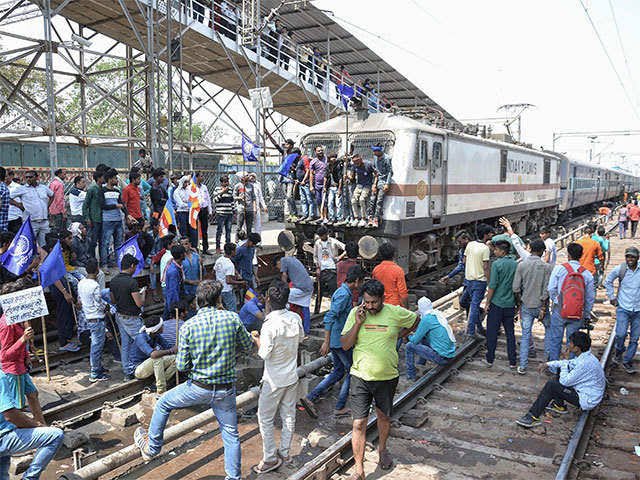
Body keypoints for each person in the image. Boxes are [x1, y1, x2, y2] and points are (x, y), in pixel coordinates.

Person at [134, 280, 254, 480]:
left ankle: (152, 447)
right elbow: (248, 346)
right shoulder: (232, 318)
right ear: (218, 299)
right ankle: (233, 478)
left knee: (163, 402)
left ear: (198, 301)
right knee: (231, 434)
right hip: (225, 389)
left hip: (199, 387)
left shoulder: (189, 326)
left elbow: (181, 366)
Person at [341, 279, 420, 478]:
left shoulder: (395, 312)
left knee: (384, 417)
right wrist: (358, 324)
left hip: (387, 377)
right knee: (358, 423)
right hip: (360, 376)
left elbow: (416, 319)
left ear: (382, 299)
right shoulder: (356, 314)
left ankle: (382, 449)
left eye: (374, 303)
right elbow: (345, 345)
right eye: (366, 302)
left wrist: (401, 334)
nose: (370, 306)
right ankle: (359, 467)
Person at [251, 281, 304, 474]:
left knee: (264, 417)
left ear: (268, 300)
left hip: (273, 379)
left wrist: (256, 340)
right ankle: (285, 452)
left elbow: (264, 354)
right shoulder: (295, 318)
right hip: (291, 376)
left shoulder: (269, 324)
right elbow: (300, 340)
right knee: (288, 415)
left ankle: (270, 457)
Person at [301, 265, 366, 418]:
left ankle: (311, 397)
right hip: (339, 341)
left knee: (337, 372)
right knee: (351, 371)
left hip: (337, 340)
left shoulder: (343, 292)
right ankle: (340, 406)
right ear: (356, 281)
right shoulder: (344, 295)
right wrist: (326, 341)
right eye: (361, 282)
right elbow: (330, 317)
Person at [516, 331, 605, 428]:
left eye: (570, 343)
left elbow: (564, 382)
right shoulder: (586, 357)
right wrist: (547, 364)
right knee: (561, 368)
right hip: (586, 392)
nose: (568, 345)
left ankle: (532, 417)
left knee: (552, 385)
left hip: (587, 399)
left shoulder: (583, 364)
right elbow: (568, 364)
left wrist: (564, 361)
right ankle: (559, 405)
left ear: (577, 348)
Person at [0, 371, 64, 479]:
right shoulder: (1, 377)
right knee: (55, 435)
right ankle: (30, 477)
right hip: (2, 438)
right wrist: (37, 425)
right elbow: (10, 415)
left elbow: (32, 394)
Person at [547, 243, 595, 370]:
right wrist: (586, 313)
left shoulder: (559, 269)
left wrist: (558, 301)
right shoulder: (587, 274)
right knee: (573, 343)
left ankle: (553, 368)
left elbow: (551, 288)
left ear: (568, 254)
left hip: (560, 311)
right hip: (577, 313)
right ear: (581, 256)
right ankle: (570, 369)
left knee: (555, 340)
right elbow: (590, 297)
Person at [0, 303, 46, 425]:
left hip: (21, 366)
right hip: (13, 369)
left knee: (33, 394)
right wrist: (23, 339)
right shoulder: (7, 325)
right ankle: (24, 432)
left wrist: (26, 356)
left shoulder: (17, 320)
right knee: (17, 405)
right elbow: (5, 355)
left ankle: (42, 424)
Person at [512, 239, 553, 374]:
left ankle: (523, 366)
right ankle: (546, 361)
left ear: (530, 249)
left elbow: (516, 288)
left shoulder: (522, 265)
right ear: (542, 252)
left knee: (525, 335)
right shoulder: (547, 267)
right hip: (541, 306)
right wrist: (543, 306)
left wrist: (520, 303)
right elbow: (547, 290)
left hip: (526, 305)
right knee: (549, 330)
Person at [604, 246, 640, 374]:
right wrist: (612, 297)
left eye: (633, 257)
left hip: (638, 310)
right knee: (620, 334)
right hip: (623, 308)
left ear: (638, 258)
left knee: (635, 338)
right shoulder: (621, 269)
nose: (630, 259)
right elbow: (607, 281)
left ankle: (627, 360)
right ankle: (619, 351)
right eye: (628, 256)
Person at [110, 254, 146, 381]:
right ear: (132, 266)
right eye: (135, 267)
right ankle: (147, 367)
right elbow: (139, 303)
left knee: (125, 344)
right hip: (132, 317)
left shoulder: (113, 281)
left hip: (120, 316)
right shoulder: (132, 282)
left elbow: (112, 299)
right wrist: (143, 295)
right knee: (143, 341)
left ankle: (127, 371)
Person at [484, 240, 518, 368]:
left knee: (492, 332)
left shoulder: (497, 265)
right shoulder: (515, 264)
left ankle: (490, 359)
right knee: (510, 333)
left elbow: (492, 286)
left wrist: (487, 302)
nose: (494, 251)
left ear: (502, 251)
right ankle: (512, 361)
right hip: (510, 304)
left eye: (496, 250)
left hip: (497, 304)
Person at [405, 297, 456, 380]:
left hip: (441, 358)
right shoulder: (437, 314)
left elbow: (414, 340)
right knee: (423, 338)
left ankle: (411, 375)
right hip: (450, 354)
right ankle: (421, 365)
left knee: (409, 346)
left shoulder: (426, 319)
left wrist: (408, 336)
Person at [77, 258, 110, 382]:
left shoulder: (81, 283)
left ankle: (98, 368)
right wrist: (106, 307)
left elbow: (80, 300)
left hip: (88, 317)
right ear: (97, 270)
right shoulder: (95, 285)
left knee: (96, 345)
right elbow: (99, 304)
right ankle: (95, 373)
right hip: (97, 317)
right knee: (97, 346)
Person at [460, 223, 492, 337]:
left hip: (468, 280)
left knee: (465, 302)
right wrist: (489, 283)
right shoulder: (485, 249)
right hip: (479, 281)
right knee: (473, 306)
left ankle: (477, 327)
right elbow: (486, 267)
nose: (491, 235)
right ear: (485, 235)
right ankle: (471, 331)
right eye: (490, 233)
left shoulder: (470, 245)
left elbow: (464, 261)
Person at [131, 316, 177, 394]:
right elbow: (154, 355)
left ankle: (159, 383)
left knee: (177, 358)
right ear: (157, 329)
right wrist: (171, 351)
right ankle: (161, 389)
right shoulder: (141, 337)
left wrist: (175, 348)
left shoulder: (156, 336)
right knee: (157, 357)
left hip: (150, 365)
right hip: (138, 369)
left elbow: (168, 347)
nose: (163, 327)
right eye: (161, 326)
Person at [11, 171, 53, 246]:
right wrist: (19, 205)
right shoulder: (22, 189)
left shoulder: (43, 187)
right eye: (26, 177)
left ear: (37, 177)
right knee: (29, 243)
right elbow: (8, 197)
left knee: (45, 243)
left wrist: (47, 206)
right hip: (31, 222)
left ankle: (44, 257)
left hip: (44, 221)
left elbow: (52, 195)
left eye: (30, 177)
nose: (28, 179)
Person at [276, 254, 314, 334]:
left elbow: (284, 275)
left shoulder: (283, 260)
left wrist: (284, 288)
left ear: (278, 262)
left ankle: (284, 326)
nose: (279, 269)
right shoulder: (293, 259)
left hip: (301, 287)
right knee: (305, 306)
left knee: (282, 298)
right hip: (309, 286)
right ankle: (306, 330)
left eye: (277, 267)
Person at [101, 169, 127, 272]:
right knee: (105, 243)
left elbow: (122, 204)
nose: (117, 180)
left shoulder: (117, 191)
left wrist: (127, 215)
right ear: (110, 179)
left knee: (119, 243)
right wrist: (115, 205)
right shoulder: (102, 190)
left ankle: (118, 262)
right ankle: (104, 265)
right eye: (115, 178)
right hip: (107, 220)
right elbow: (102, 205)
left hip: (118, 220)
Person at [372, 242, 408, 308]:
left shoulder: (376, 270)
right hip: (394, 305)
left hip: (381, 304)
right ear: (393, 255)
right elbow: (402, 293)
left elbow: (374, 288)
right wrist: (405, 308)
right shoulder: (398, 270)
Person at [314, 226, 344, 300]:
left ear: (326, 234)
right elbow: (315, 256)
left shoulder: (333, 241)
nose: (321, 237)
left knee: (333, 292)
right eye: (320, 235)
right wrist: (317, 267)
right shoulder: (317, 243)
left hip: (332, 270)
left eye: (322, 235)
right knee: (319, 292)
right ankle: (317, 310)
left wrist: (340, 257)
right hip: (322, 270)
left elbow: (345, 248)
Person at [368, 144, 392, 228]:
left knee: (379, 201)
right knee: (372, 199)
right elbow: (375, 171)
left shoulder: (387, 158)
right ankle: (370, 217)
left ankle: (376, 218)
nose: (374, 152)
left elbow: (389, 172)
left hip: (384, 181)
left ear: (380, 151)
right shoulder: (375, 158)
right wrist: (374, 184)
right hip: (376, 180)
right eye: (374, 151)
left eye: (376, 151)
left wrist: (387, 184)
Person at [215, 243, 244, 312]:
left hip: (219, 288)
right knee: (232, 309)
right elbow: (228, 281)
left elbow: (214, 272)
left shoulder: (219, 260)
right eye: (235, 250)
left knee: (221, 309)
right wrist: (241, 282)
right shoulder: (229, 265)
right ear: (232, 252)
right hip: (227, 290)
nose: (236, 252)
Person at [83, 169, 105, 260]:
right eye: (103, 177)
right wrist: (87, 218)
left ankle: (102, 259)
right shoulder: (92, 189)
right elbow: (85, 205)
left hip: (103, 218)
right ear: (99, 178)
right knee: (93, 241)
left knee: (103, 241)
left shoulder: (103, 189)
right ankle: (91, 258)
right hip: (94, 218)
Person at [350, 154, 375, 228]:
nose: (356, 163)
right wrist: (349, 177)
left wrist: (374, 185)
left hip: (367, 185)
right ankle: (356, 218)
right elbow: (352, 177)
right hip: (359, 185)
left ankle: (364, 218)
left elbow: (376, 174)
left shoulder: (368, 164)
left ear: (361, 159)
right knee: (353, 200)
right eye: (354, 162)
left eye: (357, 161)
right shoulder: (354, 166)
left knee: (361, 199)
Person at [212, 175, 234, 254]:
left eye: (227, 181)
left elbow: (232, 201)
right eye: (225, 182)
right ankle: (218, 247)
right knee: (219, 230)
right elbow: (215, 200)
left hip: (229, 213)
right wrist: (222, 193)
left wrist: (233, 210)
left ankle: (228, 247)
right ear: (221, 182)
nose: (226, 183)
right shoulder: (217, 189)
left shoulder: (231, 189)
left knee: (228, 231)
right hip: (221, 213)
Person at [163, 245, 185, 321]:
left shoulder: (175, 265)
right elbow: (173, 291)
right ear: (181, 255)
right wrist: (176, 308)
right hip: (173, 302)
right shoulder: (173, 271)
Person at [194, 172, 212, 254]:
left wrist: (210, 210)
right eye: (201, 176)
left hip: (204, 209)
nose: (203, 177)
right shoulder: (192, 187)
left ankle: (205, 248)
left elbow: (208, 198)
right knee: (195, 229)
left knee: (204, 229)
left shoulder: (204, 187)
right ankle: (196, 247)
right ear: (197, 177)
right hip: (196, 210)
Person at [323, 152, 343, 224]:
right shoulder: (327, 166)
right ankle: (332, 218)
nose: (333, 159)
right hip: (330, 188)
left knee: (338, 203)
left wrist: (340, 189)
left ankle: (339, 218)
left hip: (337, 187)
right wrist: (325, 187)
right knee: (329, 203)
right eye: (332, 157)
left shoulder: (338, 166)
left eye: (334, 157)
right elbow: (325, 177)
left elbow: (340, 178)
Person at [6, 169, 24, 234]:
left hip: (15, 218)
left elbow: (25, 202)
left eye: (6, 176)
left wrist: (16, 204)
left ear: (11, 176)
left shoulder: (18, 187)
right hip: (3, 218)